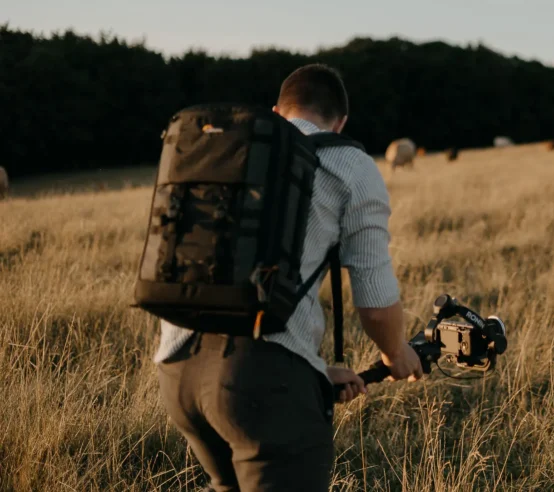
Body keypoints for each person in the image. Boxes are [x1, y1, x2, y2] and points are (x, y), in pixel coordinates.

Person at [154, 63, 424, 492]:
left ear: (277, 111)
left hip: (177, 370)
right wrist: (395, 354)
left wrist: (313, 370)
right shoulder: (349, 163)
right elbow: (374, 302)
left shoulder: (228, 148)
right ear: (341, 121)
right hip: (261, 382)